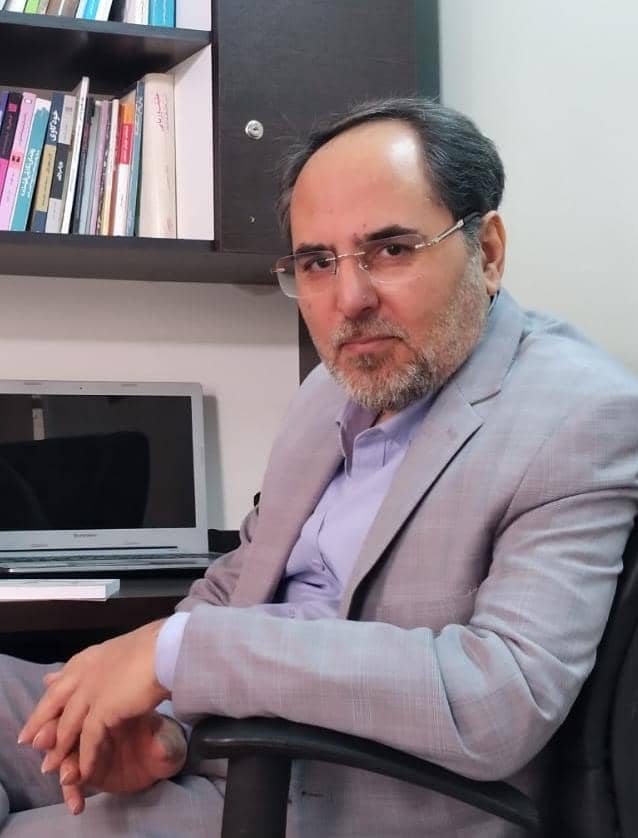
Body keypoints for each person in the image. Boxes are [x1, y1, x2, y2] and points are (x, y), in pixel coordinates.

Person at [2, 97, 638, 837]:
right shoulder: (331, 391)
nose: (350, 300)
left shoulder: (578, 415)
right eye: (316, 263)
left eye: (391, 249)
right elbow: (238, 579)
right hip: (217, 738)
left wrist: (179, 653)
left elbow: (497, 699)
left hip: (334, 793)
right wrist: (168, 724)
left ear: (487, 252)